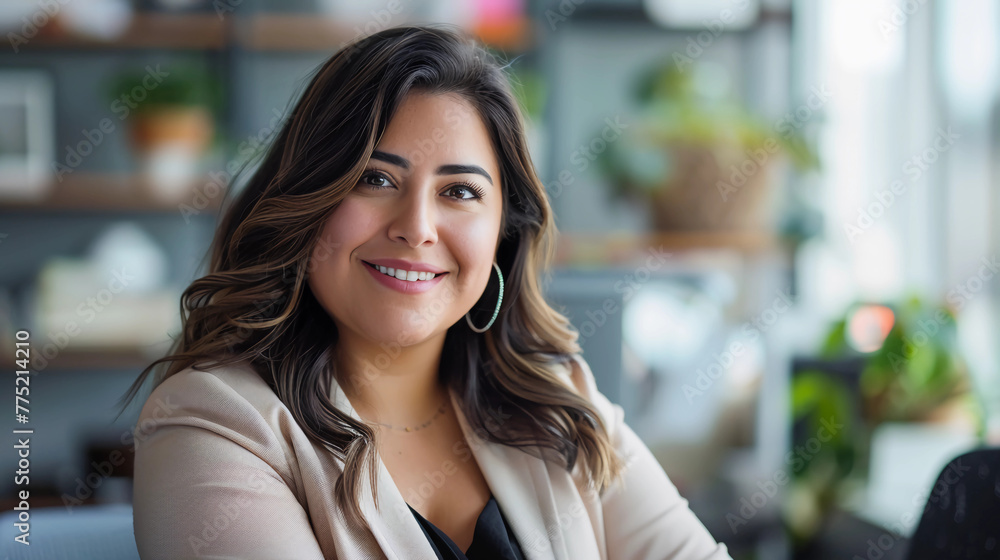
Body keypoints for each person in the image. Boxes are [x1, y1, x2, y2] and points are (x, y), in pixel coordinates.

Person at [119, 24, 733, 560]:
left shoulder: (560, 403)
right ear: (306, 202)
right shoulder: (213, 423)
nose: (416, 227)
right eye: (375, 178)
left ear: (502, 235)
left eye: (459, 191)